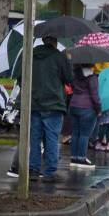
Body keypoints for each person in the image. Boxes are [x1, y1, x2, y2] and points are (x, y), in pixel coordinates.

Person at [16, 34, 72, 183]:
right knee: (52, 138)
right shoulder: (60, 57)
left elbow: (20, 78)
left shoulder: (29, 55)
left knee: (34, 138)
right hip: (54, 103)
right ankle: (50, 172)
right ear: (55, 42)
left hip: (33, 104)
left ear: (43, 40)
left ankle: (33, 170)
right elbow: (69, 79)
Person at [68, 64, 101, 169]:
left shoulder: (75, 74)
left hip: (73, 105)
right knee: (84, 135)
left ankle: (74, 158)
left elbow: (72, 87)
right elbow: (95, 95)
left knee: (75, 133)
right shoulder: (92, 77)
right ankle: (81, 159)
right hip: (87, 108)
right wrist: (99, 109)